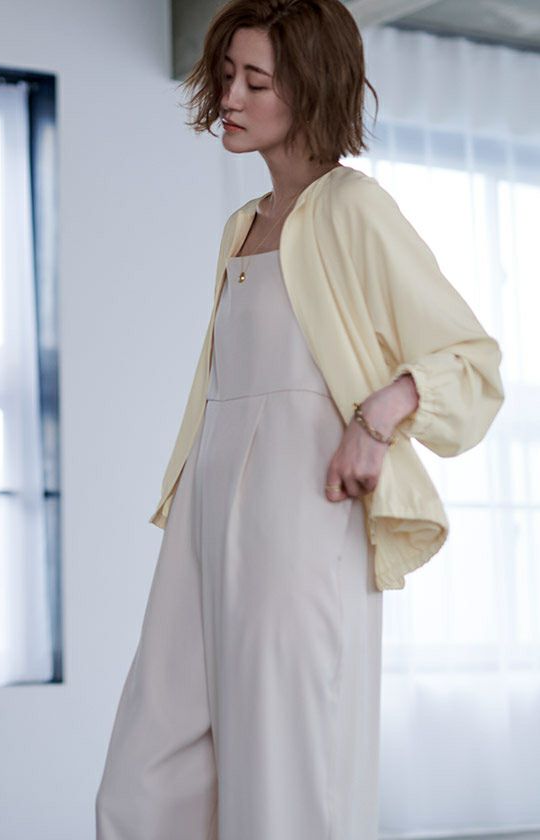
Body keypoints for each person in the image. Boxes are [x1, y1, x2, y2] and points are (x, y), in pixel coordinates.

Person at [95, 1, 504, 838]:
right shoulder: (241, 227)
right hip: (207, 511)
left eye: (257, 81)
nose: (230, 97)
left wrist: (379, 415)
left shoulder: (354, 208)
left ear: (311, 88)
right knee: (147, 773)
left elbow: (471, 360)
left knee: (285, 772)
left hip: (301, 518)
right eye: (227, 75)